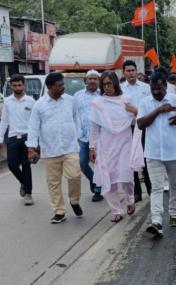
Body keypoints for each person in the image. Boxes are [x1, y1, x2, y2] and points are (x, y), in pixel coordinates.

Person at [137, 72, 176, 236]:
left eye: (159, 88)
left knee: (174, 185)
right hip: (153, 152)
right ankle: (156, 220)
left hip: (174, 151)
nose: (156, 91)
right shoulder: (145, 102)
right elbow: (140, 124)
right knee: (157, 187)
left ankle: (174, 213)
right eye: (153, 88)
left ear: (165, 85)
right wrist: (158, 110)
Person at [26, 72, 83, 224]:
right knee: (53, 182)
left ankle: (74, 201)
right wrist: (31, 147)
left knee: (75, 176)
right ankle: (59, 211)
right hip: (50, 149)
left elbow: (76, 118)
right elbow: (33, 127)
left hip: (70, 146)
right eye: (60, 85)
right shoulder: (39, 104)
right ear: (50, 87)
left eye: (63, 84)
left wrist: (78, 134)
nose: (63, 87)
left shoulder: (70, 101)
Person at [89, 71, 140, 223]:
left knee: (126, 175)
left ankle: (130, 200)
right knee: (108, 178)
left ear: (115, 83)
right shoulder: (98, 103)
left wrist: (136, 112)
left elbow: (137, 120)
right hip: (106, 144)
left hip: (125, 141)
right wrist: (92, 147)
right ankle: (116, 210)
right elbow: (94, 127)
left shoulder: (126, 100)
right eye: (104, 84)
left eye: (110, 83)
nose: (107, 87)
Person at [0, 74, 35, 206]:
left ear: (24, 85)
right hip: (13, 137)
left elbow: (35, 122)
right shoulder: (7, 101)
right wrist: (0, 138)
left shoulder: (31, 101)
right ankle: (23, 183)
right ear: (11, 87)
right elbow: (4, 121)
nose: (17, 87)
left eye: (19, 85)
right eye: (14, 85)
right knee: (12, 165)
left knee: (26, 165)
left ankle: (28, 194)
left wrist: (37, 141)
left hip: (27, 138)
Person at [121, 60, 152, 202]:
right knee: (131, 160)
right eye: (128, 71)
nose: (131, 73)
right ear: (124, 72)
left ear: (136, 71)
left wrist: (136, 111)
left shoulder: (146, 88)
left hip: (145, 127)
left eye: (133, 70)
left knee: (146, 158)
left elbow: (150, 108)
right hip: (129, 129)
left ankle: (151, 189)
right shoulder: (120, 90)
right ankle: (136, 193)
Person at [74, 70, 103, 202]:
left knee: (99, 164)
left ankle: (98, 190)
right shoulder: (77, 96)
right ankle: (93, 180)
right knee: (82, 163)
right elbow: (73, 116)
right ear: (85, 80)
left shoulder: (103, 95)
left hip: (100, 137)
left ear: (99, 81)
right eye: (90, 78)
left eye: (95, 79)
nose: (92, 81)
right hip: (83, 137)